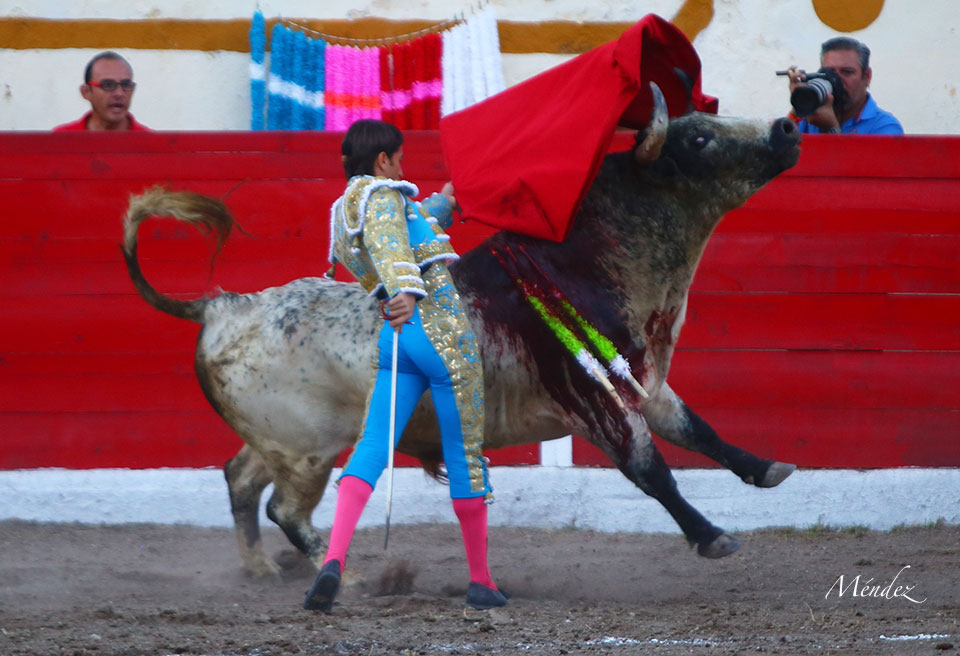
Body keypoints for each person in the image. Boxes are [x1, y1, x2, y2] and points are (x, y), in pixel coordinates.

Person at [304, 119, 506, 613]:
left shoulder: (343, 209)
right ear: (382, 162)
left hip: (397, 343)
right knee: (464, 454)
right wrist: (406, 293)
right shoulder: (384, 196)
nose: (403, 166)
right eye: (400, 158)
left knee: (371, 447)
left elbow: (401, 231)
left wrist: (445, 201)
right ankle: (480, 580)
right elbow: (393, 243)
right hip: (438, 333)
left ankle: (333, 559)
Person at [785, 37, 902, 135]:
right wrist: (798, 107)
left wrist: (830, 129)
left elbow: (852, 163)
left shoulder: (885, 126)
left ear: (867, 76)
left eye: (847, 72)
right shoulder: (810, 116)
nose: (837, 80)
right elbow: (775, 156)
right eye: (829, 73)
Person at [53, 51, 150, 131]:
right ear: (86, 92)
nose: (119, 93)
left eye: (125, 85)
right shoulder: (62, 140)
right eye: (108, 85)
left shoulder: (150, 144)